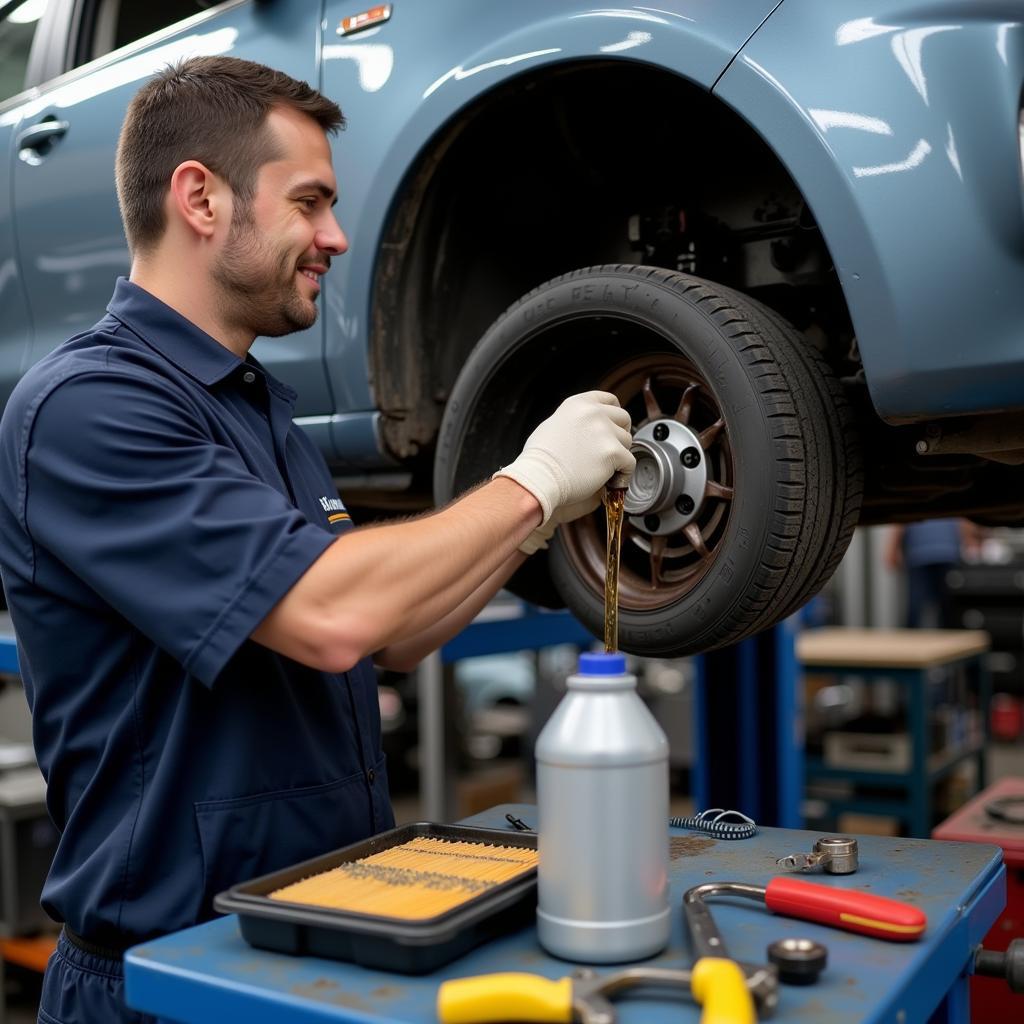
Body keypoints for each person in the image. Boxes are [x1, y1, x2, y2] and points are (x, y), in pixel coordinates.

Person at [0, 57, 634, 1024]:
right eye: (311, 202)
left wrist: (541, 513)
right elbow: (334, 612)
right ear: (200, 199)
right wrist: (531, 481)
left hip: (315, 942)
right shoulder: (89, 407)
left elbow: (392, 635)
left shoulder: (261, 415)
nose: (336, 238)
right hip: (169, 982)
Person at [885, 519, 981, 628]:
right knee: (915, 607)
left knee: (948, 608)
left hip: (946, 553)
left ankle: (949, 640)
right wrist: (892, 547)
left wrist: (970, 540)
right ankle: (908, 642)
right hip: (919, 555)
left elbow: (962, 517)